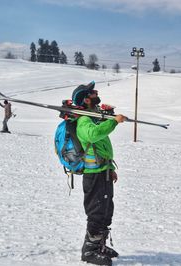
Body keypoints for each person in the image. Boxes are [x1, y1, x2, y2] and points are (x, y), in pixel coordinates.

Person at [73, 83, 126, 266]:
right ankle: (89, 250)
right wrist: (112, 122)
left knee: (105, 211)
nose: (97, 94)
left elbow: (102, 147)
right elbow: (93, 135)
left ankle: (100, 244)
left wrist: (110, 168)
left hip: (103, 172)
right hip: (93, 175)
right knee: (96, 212)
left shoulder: (93, 117)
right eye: (93, 93)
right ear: (86, 99)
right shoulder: (83, 121)